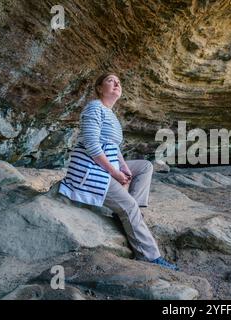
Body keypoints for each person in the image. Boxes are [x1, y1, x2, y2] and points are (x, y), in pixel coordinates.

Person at [58, 72, 178, 271]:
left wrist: (122, 166)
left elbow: (112, 146)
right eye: (110, 81)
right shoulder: (94, 107)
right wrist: (115, 173)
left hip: (107, 166)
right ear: (99, 88)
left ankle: (129, 211)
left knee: (145, 167)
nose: (116, 84)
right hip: (91, 171)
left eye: (119, 82)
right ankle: (149, 257)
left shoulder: (110, 114)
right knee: (128, 207)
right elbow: (91, 145)